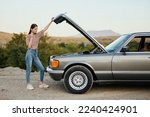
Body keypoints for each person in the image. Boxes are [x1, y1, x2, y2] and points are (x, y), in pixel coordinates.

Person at [25, 18, 54, 90]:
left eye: (37, 29)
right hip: (29, 53)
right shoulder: (28, 36)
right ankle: (28, 84)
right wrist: (31, 38)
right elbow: (29, 46)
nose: (36, 30)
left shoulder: (38, 35)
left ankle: (41, 83)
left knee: (41, 69)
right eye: (35, 29)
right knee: (29, 68)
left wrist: (51, 21)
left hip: (35, 54)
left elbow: (45, 29)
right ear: (31, 29)